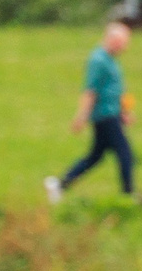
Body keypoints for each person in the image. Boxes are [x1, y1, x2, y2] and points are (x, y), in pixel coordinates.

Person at [46, 20, 136, 204]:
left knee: (95, 157)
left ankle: (59, 185)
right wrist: (82, 116)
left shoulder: (110, 60)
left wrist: (125, 111)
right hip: (104, 115)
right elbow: (90, 91)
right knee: (125, 154)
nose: (126, 47)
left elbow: (116, 89)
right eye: (123, 42)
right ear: (112, 40)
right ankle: (128, 196)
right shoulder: (98, 60)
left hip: (113, 113)